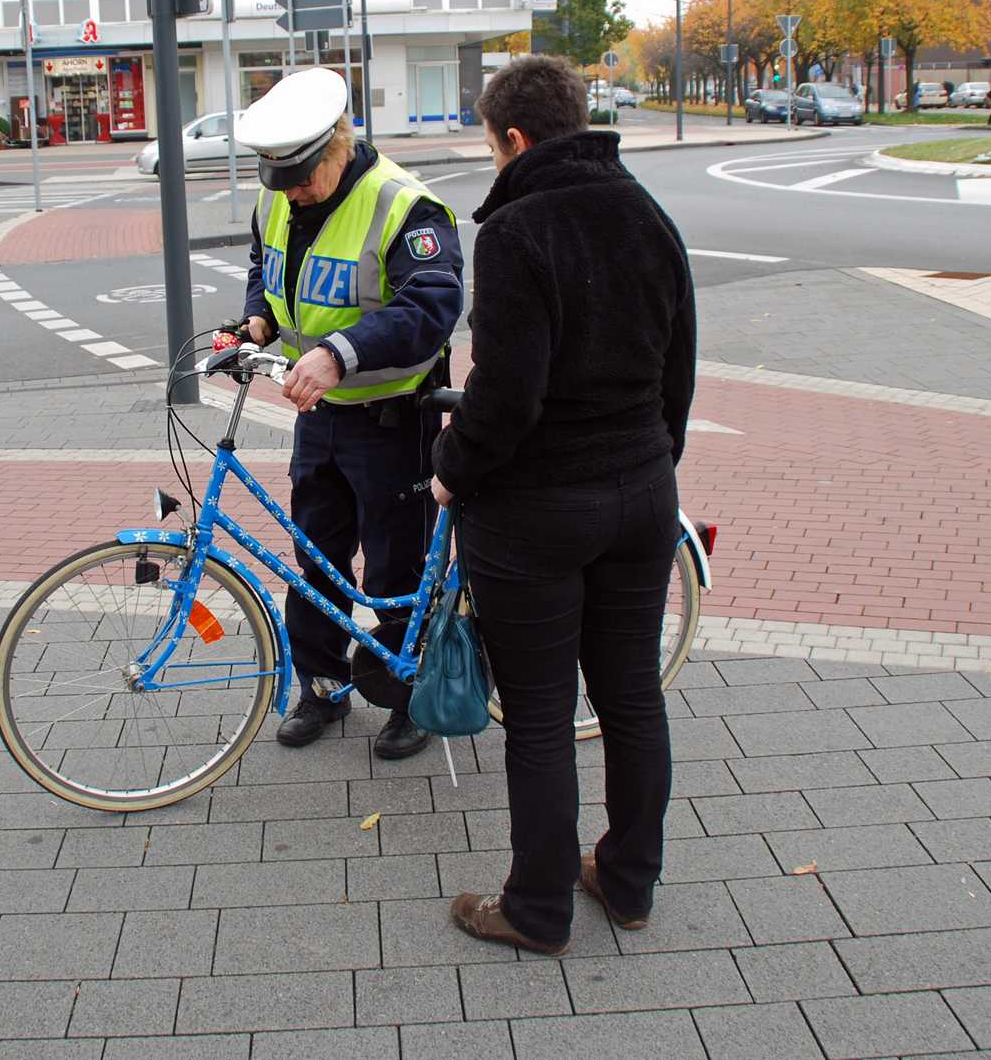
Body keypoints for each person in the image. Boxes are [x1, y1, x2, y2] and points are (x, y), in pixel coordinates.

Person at [432, 54, 695, 956]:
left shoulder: (516, 232)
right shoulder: (647, 214)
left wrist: (451, 467)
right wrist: (654, 462)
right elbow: (678, 369)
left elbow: (506, 396)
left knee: (540, 716)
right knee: (631, 697)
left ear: (513, 137)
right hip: (642, 491)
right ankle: (627, 883)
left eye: (489, 145)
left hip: (536, 511)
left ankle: (537, 907)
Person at [236, 67, 464, 761]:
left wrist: (339, 352)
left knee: (398, 567)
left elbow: (433, 305)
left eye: (303, 176)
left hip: (395, 418)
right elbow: (264, 258)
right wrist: (259, 317)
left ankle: (408, 694)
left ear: (341, 141)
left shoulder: (403, 205)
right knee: (315, 556)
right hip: (323, 416)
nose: (292, 192)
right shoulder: (279, 198)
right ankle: (324, 682)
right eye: (282, 180)